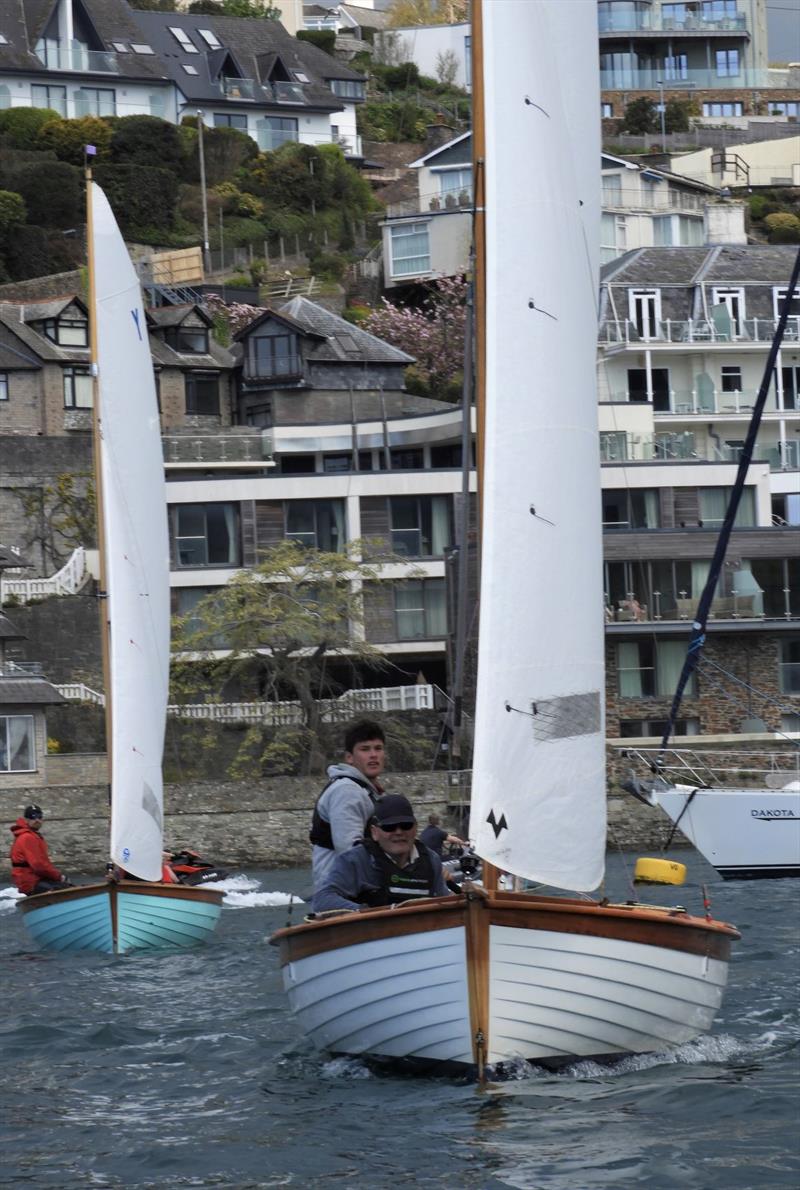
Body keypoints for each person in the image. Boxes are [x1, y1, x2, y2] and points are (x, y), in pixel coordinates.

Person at [313, 793, 451, 912]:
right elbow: (322, 899)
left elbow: (446, 902)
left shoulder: (431, 860)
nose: (398, 832)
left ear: (415, 828)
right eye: (389, 827)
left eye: (406, 825)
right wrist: (363, 912)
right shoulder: (355, 860)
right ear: (374, 833)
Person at [310, 719, 387, 894]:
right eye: (365, 749)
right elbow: (350, 852)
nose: (373, 755)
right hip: (343, 896)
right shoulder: (347, 791)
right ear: (349, 758)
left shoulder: (365, 791)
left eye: (378, 748)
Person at [9, 804, 72, 896]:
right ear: (26, 820)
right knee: (63, 888)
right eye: (33, 817)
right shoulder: (27, 837)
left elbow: (42, 864)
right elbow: (38, 865)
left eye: (39, 817)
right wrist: (59, 876)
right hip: (30, 882)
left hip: (36, 878)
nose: (37, 820)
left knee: (67, 885)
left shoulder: (33, 836)